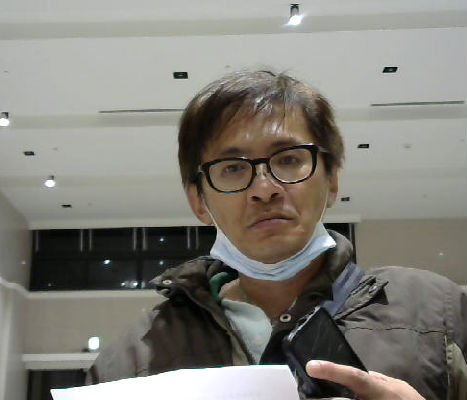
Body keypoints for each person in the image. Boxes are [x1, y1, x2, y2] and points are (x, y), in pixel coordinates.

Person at [87, 70, 467, 400]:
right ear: (198, 201)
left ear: (332, 181)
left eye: (288, 159)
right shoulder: (132, 360)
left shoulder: (438, 313)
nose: (264, 189)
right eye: (232, 168)